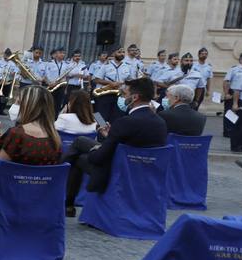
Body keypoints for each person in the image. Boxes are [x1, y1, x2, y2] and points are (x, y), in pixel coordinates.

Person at [63, 77, 168, 215]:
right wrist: (109, 137)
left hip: (119, 168)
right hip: (142, 167)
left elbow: (98, 158)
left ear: (135, 97)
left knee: (78, 156)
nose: (123, 96)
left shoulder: (63, 119)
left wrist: (97, 148)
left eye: (125, 94)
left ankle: (66, 197)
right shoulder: (160, 122)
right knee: (81, 141)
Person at [0, 86, 62, 173]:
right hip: (42, 186)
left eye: (18, 103)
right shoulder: (55, 137)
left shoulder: (16, 134)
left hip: (14, 185)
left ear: (28, 106)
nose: (15, 106)